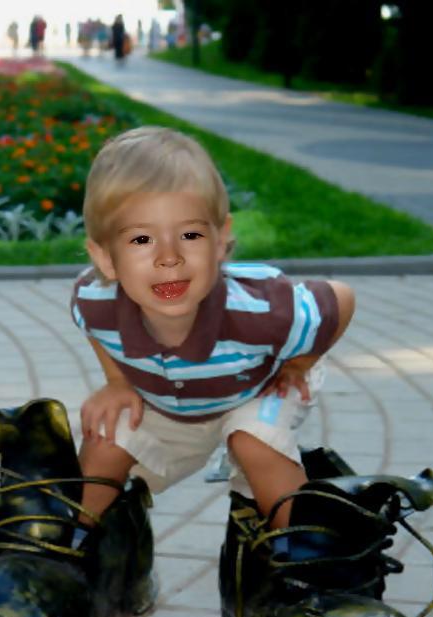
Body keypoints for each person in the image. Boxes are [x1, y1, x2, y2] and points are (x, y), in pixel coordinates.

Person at [73, 125, 355, 538]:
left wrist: (299, 363)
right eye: (141, 239)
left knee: (254, 441)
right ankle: (74, 545)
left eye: (190, 235)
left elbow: (341, 299)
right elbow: (91, 325)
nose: (169, 257)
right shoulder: (95, 300)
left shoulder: (265, 309)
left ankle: (301, 554)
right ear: (106, 258)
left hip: (259, 384)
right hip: (169, 400)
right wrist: (116, 382)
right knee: (105, 439)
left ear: (220, 239)